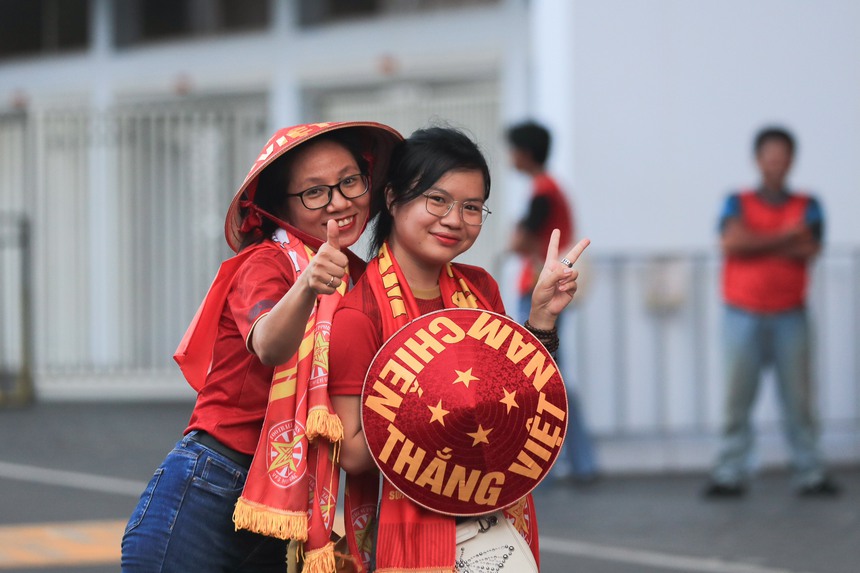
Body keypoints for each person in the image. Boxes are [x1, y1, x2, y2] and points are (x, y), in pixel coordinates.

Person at [121, 121, 402, 572]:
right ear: (278, 206)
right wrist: (307, 285)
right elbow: (269, 344)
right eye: (315, 192)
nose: (339, 202)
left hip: (284, 502)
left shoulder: (359, 277)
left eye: (350, 181)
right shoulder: (265, 262)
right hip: (211, 484)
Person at [328, 126, 589, 571]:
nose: (454, 220)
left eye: (471, 207)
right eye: (437, 200)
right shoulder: (360, 314)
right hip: (407, 532)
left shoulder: (481, 289)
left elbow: (519, 403)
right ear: (392, 198)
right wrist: (442, 416)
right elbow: (352, 452)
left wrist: (542, 318)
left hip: (493, 524)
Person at [703, 126, 840, 498]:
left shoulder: (809, 203)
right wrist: (787, 236)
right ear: (758, 160)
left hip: (790, 314)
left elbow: (810, 249)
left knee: (800, 399)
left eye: (782, 156)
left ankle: (810, 471)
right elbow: (732, 242)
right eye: (770, 156)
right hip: (741, 312)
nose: (776, 163)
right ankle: (729, 472)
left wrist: (756, 241)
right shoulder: (737, 200)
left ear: (791, 161)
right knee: (736, 399)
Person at [506, 120, 598, 485]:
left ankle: (566, 462)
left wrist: (518, 237)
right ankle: (578, 461)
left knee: (547, 377)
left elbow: (518, 241)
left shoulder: (543, 192)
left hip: (539, 292)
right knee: (552, 375)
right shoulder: (549, 189)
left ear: (525, 153)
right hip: (544, 288)